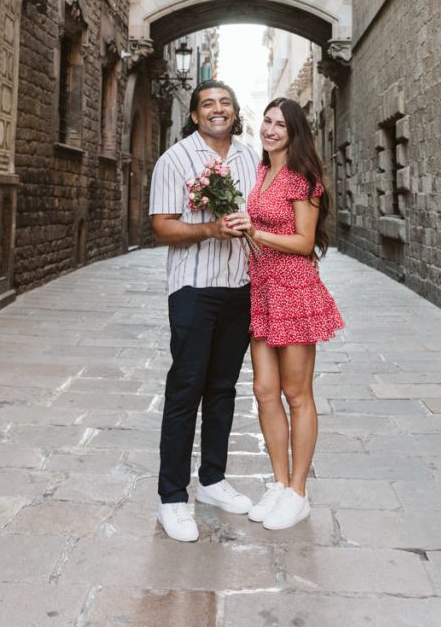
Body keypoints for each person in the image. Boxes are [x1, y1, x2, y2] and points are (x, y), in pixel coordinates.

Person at [226, 97, 344, 531]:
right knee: (263, 390)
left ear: (295, 132)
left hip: (294, 290)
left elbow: (303, 241)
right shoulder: (261, 171)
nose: (271, 130)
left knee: (297, 395)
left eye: (281, 125)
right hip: (262, 290)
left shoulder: (303, 177)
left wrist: (255, 231)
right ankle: (277, 483)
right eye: (267, 121)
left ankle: (298, 492)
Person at [149, 79, 258, 542]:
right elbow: (161, 227)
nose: (218, 110)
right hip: (194, 288)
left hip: (240, 287)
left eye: (225, 103)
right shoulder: (175, 159)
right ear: (194, 115)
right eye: (208, 104)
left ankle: (212, 480)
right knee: (186, 388)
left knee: (224, 388)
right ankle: (172, 497)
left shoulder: (252, 157)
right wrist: (209, 229)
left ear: (235, 111)